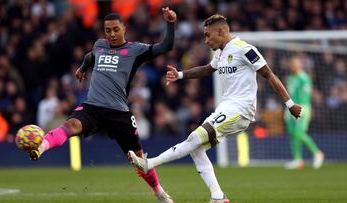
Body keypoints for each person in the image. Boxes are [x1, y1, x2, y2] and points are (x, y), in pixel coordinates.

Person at [128, 14, 302, 203]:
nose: (206, 40)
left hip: (241, 109)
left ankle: (150, 163)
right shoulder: (220, 52)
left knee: (195, 138)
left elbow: (269, 75)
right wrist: (179, 75)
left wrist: (290, 104)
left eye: (208, 35)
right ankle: (218, 197)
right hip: (227, 107)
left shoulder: (245, 49)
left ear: (220, 31)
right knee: (196, 148)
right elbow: (207, 69)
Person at [27, 7, 177, 203]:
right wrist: (82, 68)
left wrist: (170, 23)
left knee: (140, 160)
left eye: (116, 29)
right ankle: (40, 148)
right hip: (93, 107)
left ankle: (158, 192)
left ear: (124, 28)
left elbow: (166, 46)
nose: (112, 34)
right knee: (71, 125)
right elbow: (90, 57)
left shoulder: (135, 50)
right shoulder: (99, 45)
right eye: (108, 30)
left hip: (119, 113)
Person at [284, 56, 324, 170]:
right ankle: (298, 160)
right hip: (290, 108)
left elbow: (306, 95)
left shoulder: (304, 78)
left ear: (299, 65)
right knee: (292, 133)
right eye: (291, 64)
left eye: (294, 64)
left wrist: (301, 108)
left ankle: (317, 152)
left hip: (302, 107)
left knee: (299, 133)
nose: (292, 66)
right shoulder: (290, 78)